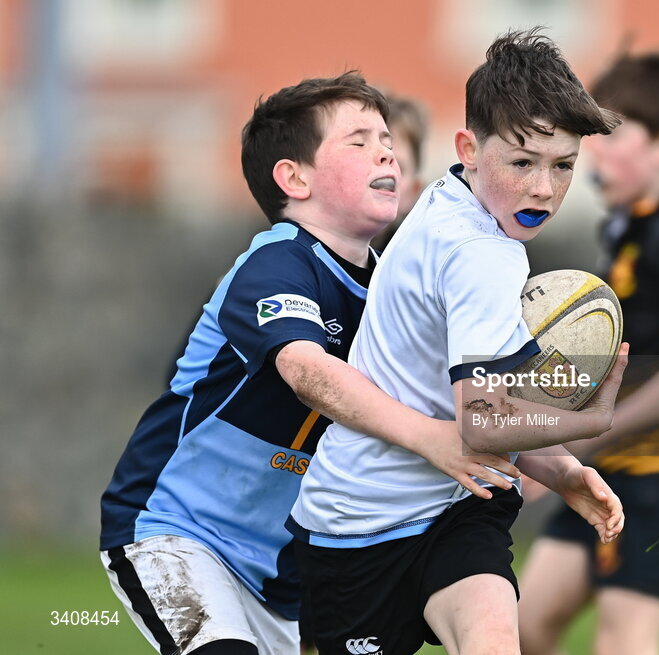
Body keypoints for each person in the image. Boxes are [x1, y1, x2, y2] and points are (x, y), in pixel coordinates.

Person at [99, 72, 520, 655]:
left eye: (386, 139)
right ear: (293, 178)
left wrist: (565, 457)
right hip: (184, 538)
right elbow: (308, 373)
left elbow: (475, 395)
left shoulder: (395, 286)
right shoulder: (276, 265)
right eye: (359, 140)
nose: (386, 150)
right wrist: (432, 438)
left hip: (297, 566)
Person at [288, 29, 627, 655]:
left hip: (460, 505)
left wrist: (561, 471)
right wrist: (590, 420)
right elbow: (482, 422)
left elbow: (474, 415)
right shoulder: (481, 252)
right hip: (360, 526)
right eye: (522, 162)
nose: (543, 191)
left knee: (495, 640)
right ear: (469, 147)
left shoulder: (451, 202)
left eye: (563, 166)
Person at [518, 51, 659, 655]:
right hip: (612, 469)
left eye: (611, 134)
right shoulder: (630, 227)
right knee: (522, 629)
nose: (595, 150)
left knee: (624, 641)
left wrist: (583, 437)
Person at [370, 93, 430, 252]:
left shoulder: (419, 260)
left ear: (414, 191)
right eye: (373, 160)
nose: (384, 174)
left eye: (399, 167)